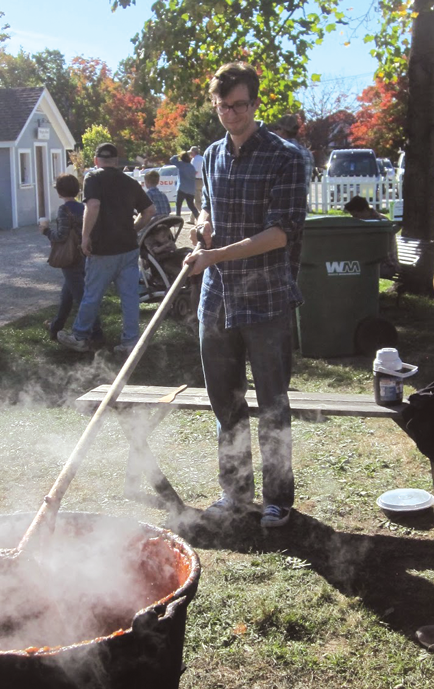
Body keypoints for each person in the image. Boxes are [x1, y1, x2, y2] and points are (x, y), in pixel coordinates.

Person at [184, 61, 307, 528]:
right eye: (221, 106)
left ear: (255, 103)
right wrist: (203, 230)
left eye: (238, 105)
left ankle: (278, 498)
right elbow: (209, 210)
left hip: (267, 299)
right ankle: (234, 493)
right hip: (217, 300)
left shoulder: (286, 156)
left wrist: (216, 258)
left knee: (272, 404)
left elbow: (282, 232)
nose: (230, 114)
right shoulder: (213, 154)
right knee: (225, 403)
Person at [57, 142, 156, 356]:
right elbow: (149, 210)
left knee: (92, 295)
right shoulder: (129, 182)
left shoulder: (93, 178)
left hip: (103, 249)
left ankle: (80, 337)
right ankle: (130, 342)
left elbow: (93, 206)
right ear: (117, 162)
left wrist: (84, 238)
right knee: (130, 297)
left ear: (95, 160)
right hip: (129, 249)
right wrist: (133, 228)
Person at [39, 173, 103, 344]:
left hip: (69, 258)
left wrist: (45, 230)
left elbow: (61, 236)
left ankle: (96, 331)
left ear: (59, 192)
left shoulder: (64, 209)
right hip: (82, 255)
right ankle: (56, 327)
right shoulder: (83, 208)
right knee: (67, 295)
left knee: (81, 296)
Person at [344, 195, 400, 278]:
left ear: (364, 210)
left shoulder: (380, 222)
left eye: (356, 215)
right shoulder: (366, 222)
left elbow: (375, 249)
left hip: (386, 266)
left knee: (352, 269)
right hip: (371, 262)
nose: (354, 219)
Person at [272, 114, 314, 198]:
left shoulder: (278, 152)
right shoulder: (308, 153)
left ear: (282, 130)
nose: (274, 132)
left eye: (276, 128)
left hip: (279, 205)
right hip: (301, 205)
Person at [169, 152, 199, 222]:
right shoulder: (191, 166)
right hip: (191, 189)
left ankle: (177, 220)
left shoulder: (180, 164)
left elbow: (172, 159)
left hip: (182, 188)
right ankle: (198, 218)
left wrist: (178, 155)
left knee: (178, 205)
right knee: (191, 205)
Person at [188, 146, 204, 216]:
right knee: (196, 199)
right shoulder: (203, 158)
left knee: (197, 200)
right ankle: (192, 217)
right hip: (203, 180)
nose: (190, 154)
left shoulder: (194, 160)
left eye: (191, 153)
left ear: (194, 152)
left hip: (196, 181)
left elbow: (194, 171)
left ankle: (202, 214)